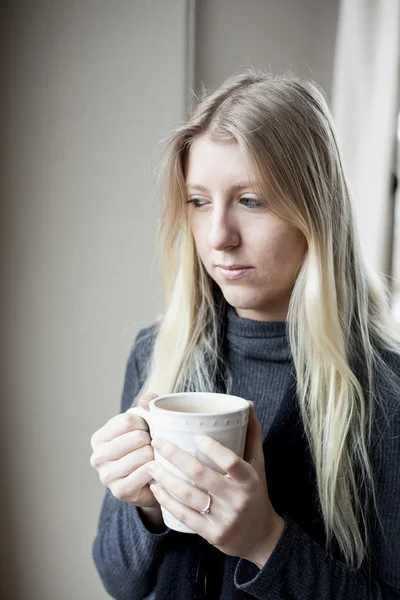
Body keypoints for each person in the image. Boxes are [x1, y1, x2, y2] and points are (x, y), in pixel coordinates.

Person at [89, 70, 400, 600]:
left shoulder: (385, 394)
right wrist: (144, 507)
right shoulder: (157, 355)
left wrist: (266, 542)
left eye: (251, 201)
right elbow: (120, 582)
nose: (219, 237)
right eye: (199, 201)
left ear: (315, 211)